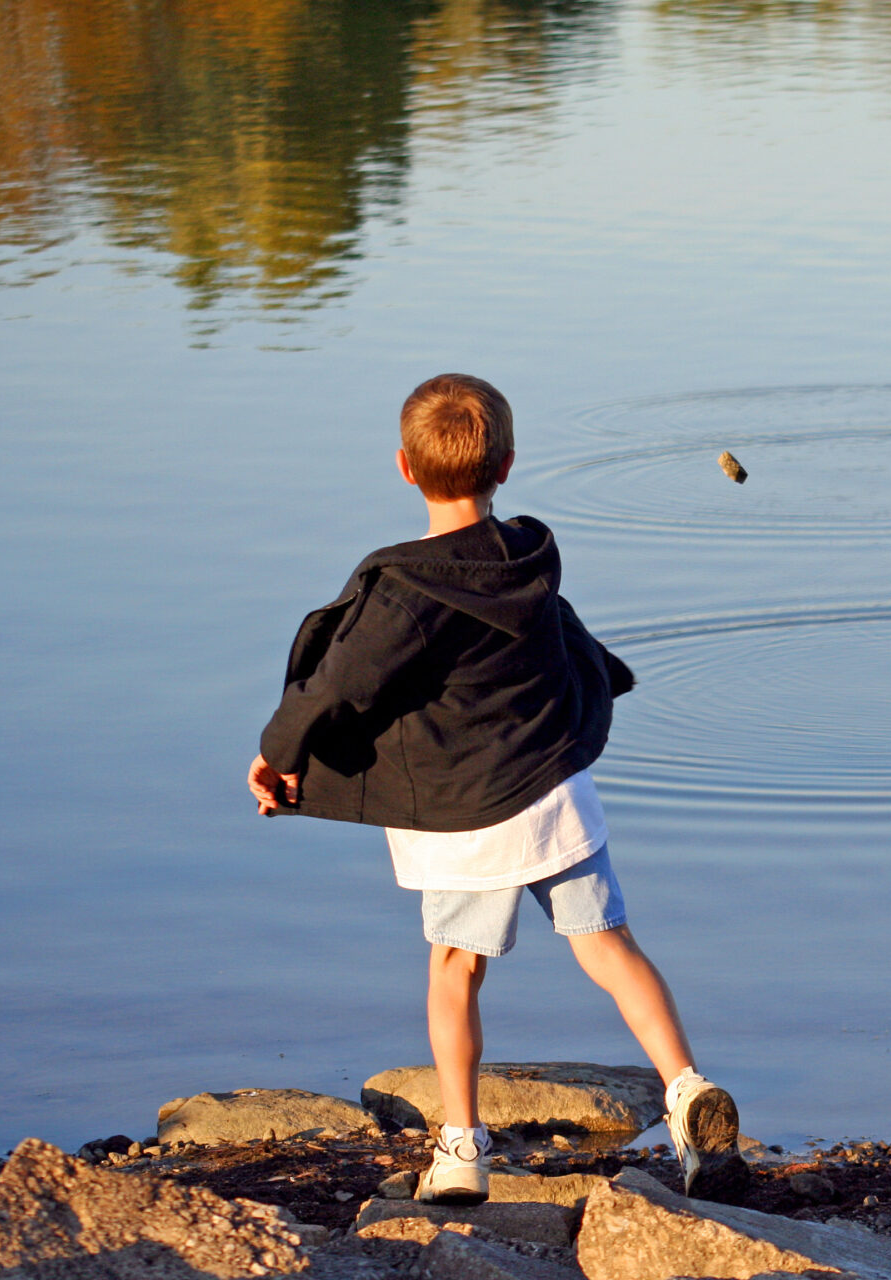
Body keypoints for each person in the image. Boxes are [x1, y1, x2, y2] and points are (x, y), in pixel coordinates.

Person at [247, 373, 744, 1205]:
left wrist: (279, 749)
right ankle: (687, 1089)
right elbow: (571, 643)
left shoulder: (405, 590)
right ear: (507, 466)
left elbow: (341, 683)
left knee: (455, 968)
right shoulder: (529, 557)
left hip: (464, 813)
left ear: (405, 468)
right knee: (611, 947)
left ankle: (462, 1148)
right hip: (555, 794)